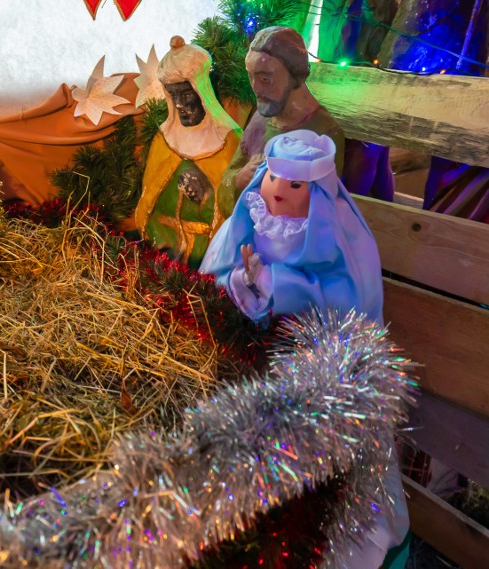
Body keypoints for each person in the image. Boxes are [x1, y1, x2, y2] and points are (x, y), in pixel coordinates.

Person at [201, 130, 410, 569]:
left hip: (318, 367)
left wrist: (280, 285)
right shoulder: (252, 215)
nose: (277, 192)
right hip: (256, 353)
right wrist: (242, 283)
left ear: (313, 189)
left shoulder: (342, 234)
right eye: (272, 178)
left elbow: (348, 297)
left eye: (293, 185)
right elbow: (220, 268)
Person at [134, 36, 242, 268]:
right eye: (173, 95)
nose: (179, 104)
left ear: (200, 91)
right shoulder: (164, 139)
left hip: (207, 257)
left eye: (186, 94)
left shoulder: (229, 142)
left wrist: (206, 197)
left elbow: (240, 209)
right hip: (162, 249)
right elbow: (148, 199)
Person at [217, 26, 345, 220]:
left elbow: (322, 211)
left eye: (265, 78)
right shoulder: (261, 119)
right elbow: (229, 177)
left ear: (296, 75)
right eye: (250, 76)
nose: (255, 88)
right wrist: (239, 178)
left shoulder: (323, 133)